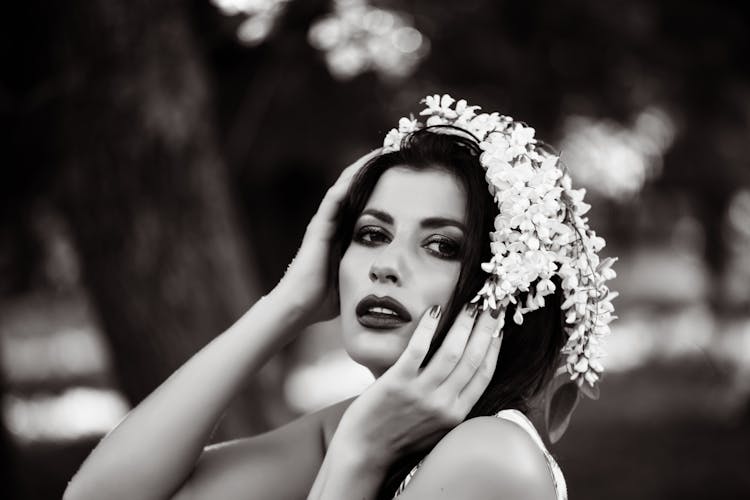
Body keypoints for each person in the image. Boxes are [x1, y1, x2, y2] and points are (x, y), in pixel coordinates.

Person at [64, 95, 616, 500]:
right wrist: (288, 302)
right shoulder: (371, 425)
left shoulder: (489, 456)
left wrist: (356, 458)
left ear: (510, 284)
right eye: (371, 234)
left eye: (442, 246)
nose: (384, 266)